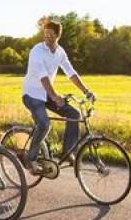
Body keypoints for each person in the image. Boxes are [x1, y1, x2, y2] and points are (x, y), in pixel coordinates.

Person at [19, 17, 95, 176]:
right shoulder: (37, 51)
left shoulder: (60, 52)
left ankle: (67, 152)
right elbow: (43, 76)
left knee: (74, 114)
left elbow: (71, 72)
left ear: (58, 36)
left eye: (51, 35)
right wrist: (54, 95)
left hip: (46, 95)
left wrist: (86, 91)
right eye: (45, 34)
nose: (47, 38)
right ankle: (30, 158)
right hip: (32, 95)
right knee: (45, 123)